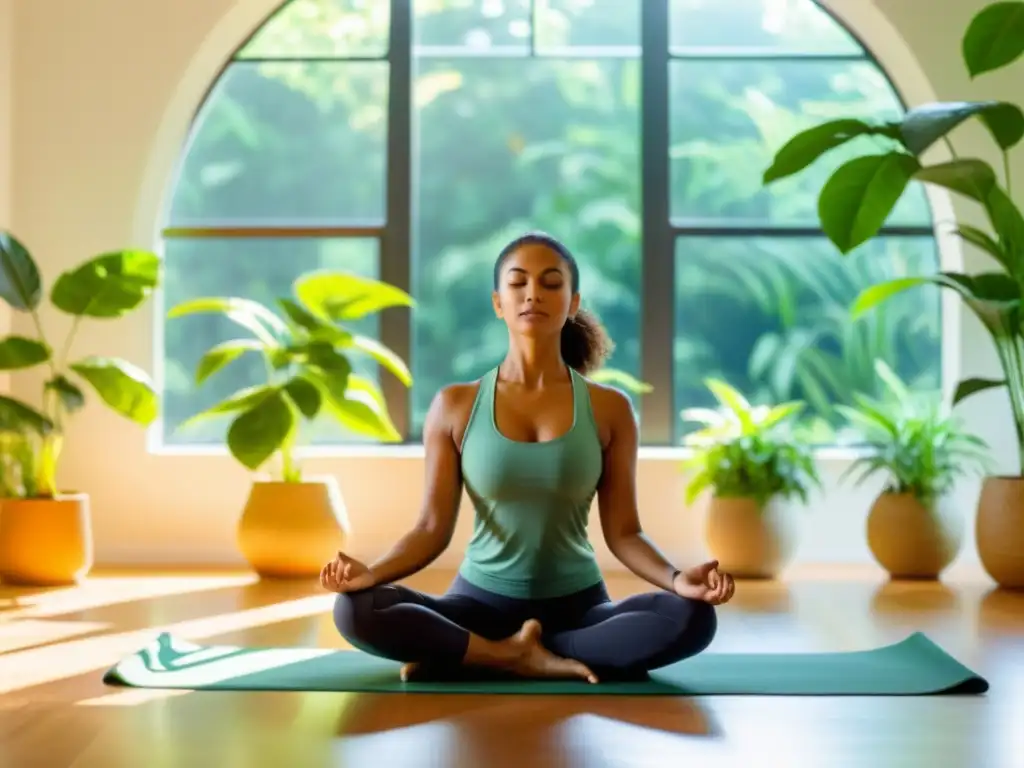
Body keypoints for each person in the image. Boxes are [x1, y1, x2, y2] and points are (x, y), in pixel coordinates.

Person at [321, 231, 736, 684]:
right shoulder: (456, 405)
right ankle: (505, 652)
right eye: (518, 283)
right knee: (355, 609)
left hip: (577, 613)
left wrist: (678, 581)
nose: (533, 293)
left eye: (551, 283)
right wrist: (371, 574)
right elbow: (429, 530)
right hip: (477, 607)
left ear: (573, 302)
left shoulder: (609, 408)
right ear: (499, 303)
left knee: (693, 618)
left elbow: (625, 533)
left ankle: (491, 655)